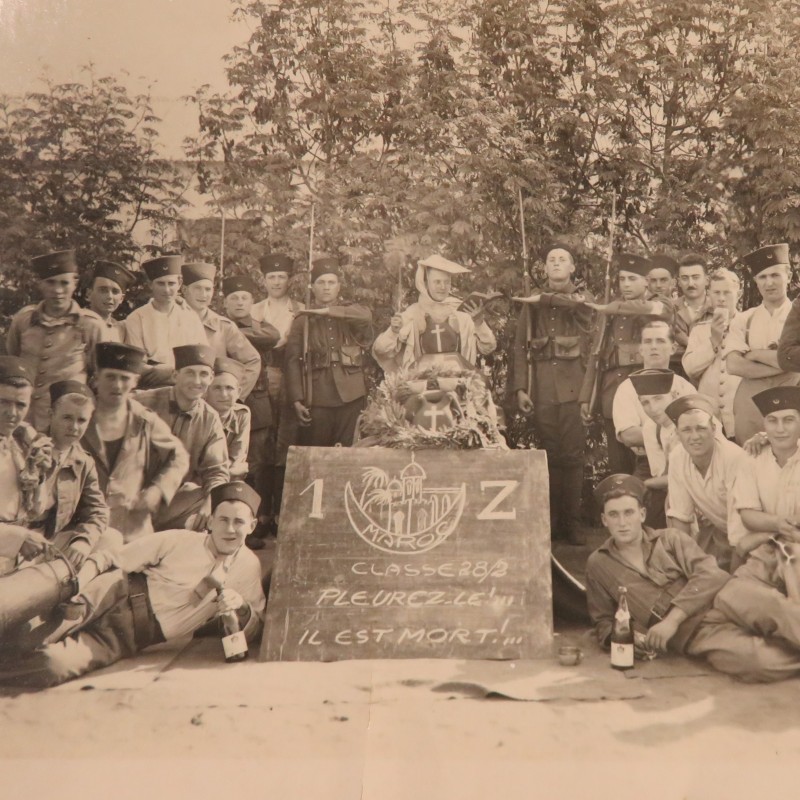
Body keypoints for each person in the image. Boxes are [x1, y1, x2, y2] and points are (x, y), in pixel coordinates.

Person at [0, 481, 267, 689]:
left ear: (252, 526)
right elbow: (113, 558)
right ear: (210, 521)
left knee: (52, 667)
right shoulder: (180, 540)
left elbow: (256, 626)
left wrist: (242, 607)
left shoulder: (248, 567)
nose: (230, 529)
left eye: (239, 522)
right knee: (31, 635)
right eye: (223, 520)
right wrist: (82, 587)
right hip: (113, 593)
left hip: (130, 636)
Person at [586, 473, 800, 683]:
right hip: (692, 633)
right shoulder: (598, 564)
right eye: (614, 515)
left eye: (628, 512)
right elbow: (603, 620)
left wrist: (672, 620)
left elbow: (711, 575)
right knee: (758, 662)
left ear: (641, 515)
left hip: (722, 596)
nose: (622, 522)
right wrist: (629, 638)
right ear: (604, 520)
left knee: (773, 607)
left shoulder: (670, 538)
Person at [510, 243, 594, 545]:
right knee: (549, 455)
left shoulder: (584, 299)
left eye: (563, 260)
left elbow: (583, 313)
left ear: (573, 268)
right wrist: (521, 388)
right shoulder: (530, 305)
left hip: (574, 388)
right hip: (543, 388)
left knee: (572, 457)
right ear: (544, 269)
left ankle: (571, 525)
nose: (556, 264)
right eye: (551, 260)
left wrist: (542, 299)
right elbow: (520, 346)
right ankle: (552, 523)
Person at [81, 342, 188, 542]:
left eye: (124, 378)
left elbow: (179, 456)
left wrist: (157, 490)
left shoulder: (144, 420)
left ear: (135, 382)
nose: (117, 385)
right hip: (84, 528)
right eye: (110, 376)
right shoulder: (80, 417)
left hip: (131, 528)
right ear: (96, 378)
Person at [580, 253, 675, 474]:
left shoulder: (660, 303)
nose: (626, 284)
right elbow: (597, 354)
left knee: (653, 464)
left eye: (632, 279)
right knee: (619, 466)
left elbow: (646, 309)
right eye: (622, 279)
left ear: (646, 281)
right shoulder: (610, 311)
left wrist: (613, 307)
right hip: (612, 392)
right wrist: (586, 397)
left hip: (649, 391)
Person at [6, 249, 106, 431]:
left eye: (64, 283)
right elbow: (11, 365)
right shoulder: (24, 320)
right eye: (50, 283)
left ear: (75, 283)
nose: (57, 290)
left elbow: (100, 377)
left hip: (66, 424)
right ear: (41, 284)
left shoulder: (90, 325)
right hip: (24, 419)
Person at [25, 381, 120, 567]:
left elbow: (98, 510)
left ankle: (76, 590)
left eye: (81, 420)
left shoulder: (82, 461)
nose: (74, 427)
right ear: (51, 415)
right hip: (19, 538)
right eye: (67, 418)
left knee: (111, 539)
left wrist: (84, 541)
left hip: (49, 538)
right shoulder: (27, 448)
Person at [135, 344, 230, 531]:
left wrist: (209, 504)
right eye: (190, 373)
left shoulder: (210, 419)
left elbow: (216, 472)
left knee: (217, 500)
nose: (197, 381)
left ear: (211, 378)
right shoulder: (143, 402)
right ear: (175, 376)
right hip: (131, 495)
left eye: (203, 374)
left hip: (170, 501)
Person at [286, 256, 373, 448]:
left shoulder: (350, 313)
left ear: (338, 287)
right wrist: (296, 400)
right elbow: (292, 361)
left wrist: (327, 311)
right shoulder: (303, 321)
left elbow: (366, 316)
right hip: (318, 396)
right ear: (313, 287)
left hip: (351, 394)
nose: (326, 287)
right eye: (321, 282)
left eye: (331, 282)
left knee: (350, 452)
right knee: (318, 453)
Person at [223, 273, 282, 535]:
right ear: (224, 303)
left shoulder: (261, 327)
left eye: (244, 298)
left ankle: (256, 522)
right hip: (223, 399)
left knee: (258, 463)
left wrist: (236, 332)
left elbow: (272, 337)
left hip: (257, 401)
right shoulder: (218, 324)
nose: (239, 302)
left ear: (251, 302)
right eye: (233, 298)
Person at [250, 254, 304, 534]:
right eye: (272, 277)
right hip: (261, 379)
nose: (277, 282)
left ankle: (283, 514)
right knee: (262, 445)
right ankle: (261, 515)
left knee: (286, 444)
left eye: (282, 277)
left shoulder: (300, 309)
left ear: (289, 280)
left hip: (291, 379)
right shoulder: (254, 310)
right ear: (264, 280)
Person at [371, 254, 496, 375]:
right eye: (437, 282)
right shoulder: (413, 313)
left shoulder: (461, 314)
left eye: (446, 282)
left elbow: (488, 348)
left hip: (458, 382)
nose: (442, 287)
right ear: (426, 284)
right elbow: (381, 350)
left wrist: (479, 324)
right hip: (421, 383)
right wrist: (393, 332)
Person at [725, 243, 799, 445]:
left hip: (794, 398)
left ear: (789, 276)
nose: (769, 283)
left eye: (775, 275)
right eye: (763, 277)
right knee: (751, 461)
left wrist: (755, 354)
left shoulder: (797, 315)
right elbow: (733, 365)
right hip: (751, 403)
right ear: (756, 281)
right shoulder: (744, 320)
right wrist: (786, 364)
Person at [664, 394, 746, 571]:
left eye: (701, 428)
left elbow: (740, 531)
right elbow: (680, 519)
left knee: (733, 589)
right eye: (686, 430)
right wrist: (685, 570)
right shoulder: (677, 457)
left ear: (714, 429)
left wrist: (733, 579)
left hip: (751, 538)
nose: (695, 437)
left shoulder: (733, 458)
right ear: (677, 433)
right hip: (720, 532)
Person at [611, 320, 694, 481]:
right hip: (646, 463)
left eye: (660, 341)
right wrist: (673, 433)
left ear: (673, 348)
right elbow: (628, 435)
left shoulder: (684, 386)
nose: (653, 347)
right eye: (648, 342)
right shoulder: (628, 388)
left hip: (687, 459)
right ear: (641, 349)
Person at [124, 254, 208, 388]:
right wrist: (157, 371)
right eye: (161, 284)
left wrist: (170, 370)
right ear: (151, 284)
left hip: (185, 386)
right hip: (150, 385)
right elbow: (136, 363)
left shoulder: (190, 317)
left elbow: (202, 358)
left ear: (179, 283)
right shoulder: (136, 318)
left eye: (171, 283)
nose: (167, 290)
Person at [180, 262, 260, 400]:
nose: (203, 294)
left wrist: (233, 395)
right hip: (177, 396)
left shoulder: (223, 326)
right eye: (197, 288)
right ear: (185, 289)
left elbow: (252, 360)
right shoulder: (172, 320)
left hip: (211, 402)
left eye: (208, 289)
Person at [682, 268, 743, 439]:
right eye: (716, 293)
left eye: (727, 293)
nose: (722, 298)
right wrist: (713, 340)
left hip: (742, 418)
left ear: (738, 293)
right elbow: (690, 369)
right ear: (709, 294)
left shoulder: (749, 325)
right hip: (711, 419)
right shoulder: (699, 330)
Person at [207, 358, 251, 483]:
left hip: (226, 475)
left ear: (238, 392)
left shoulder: (242, 414)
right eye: (216, 388)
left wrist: (234, 469)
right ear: (206, 392)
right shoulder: (199, 415)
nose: (224, 394)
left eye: (229, 388)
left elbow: (237, 456)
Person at [85, 261, 137, 344]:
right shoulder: (78, 323)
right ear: (89, 294)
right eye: (103, 290)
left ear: (121, 298)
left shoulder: (121, 329)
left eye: (115, 292)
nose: (109, 296)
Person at [673, 254, 713, 352]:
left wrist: (686, 341)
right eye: (685, 278)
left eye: (695, 277)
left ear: (707, 280)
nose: (690, 283)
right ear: (679, 282)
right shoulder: (669, 310)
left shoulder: (718, 309)